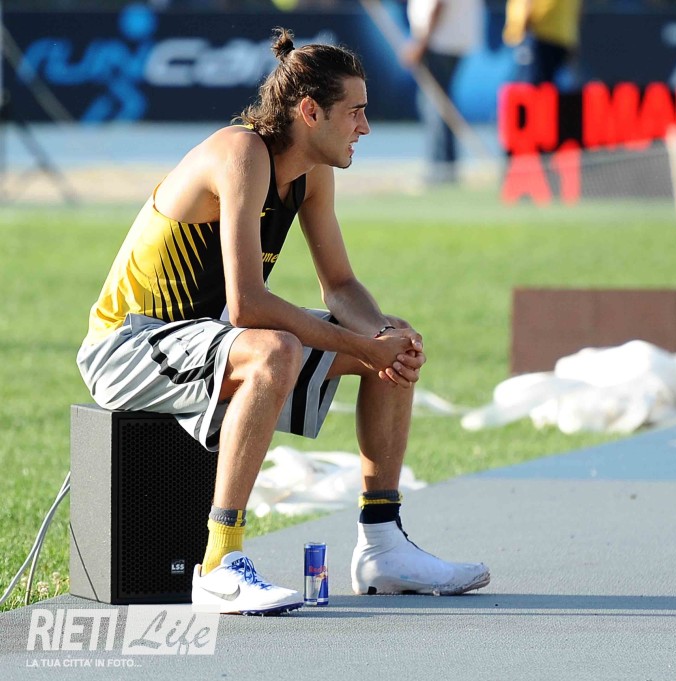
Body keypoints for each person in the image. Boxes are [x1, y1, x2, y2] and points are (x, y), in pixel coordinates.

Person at [76, 27, 490, 616]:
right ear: (310, 111)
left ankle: (382, 546)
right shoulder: (241, 154)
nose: (366, 127)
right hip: (128, 345)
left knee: (389, 337)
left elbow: (340, 285)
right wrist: (361, 346)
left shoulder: (312, 172)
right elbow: (248, 304)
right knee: (275, 349)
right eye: (356, 112)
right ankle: (219, 563)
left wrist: (382, 340)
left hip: (209, 335)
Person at [401, 0, 484, 184]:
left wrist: (421, 43)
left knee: (435, 105)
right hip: (451, 39)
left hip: (439, 42)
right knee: (439, 103)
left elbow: (438, 5)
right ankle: (446, 165)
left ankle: (440, 168)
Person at [503, 0, 582, 86]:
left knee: (537, 85)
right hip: (565, 36)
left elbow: (524, 4)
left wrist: (517, 28)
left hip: (541, 35)